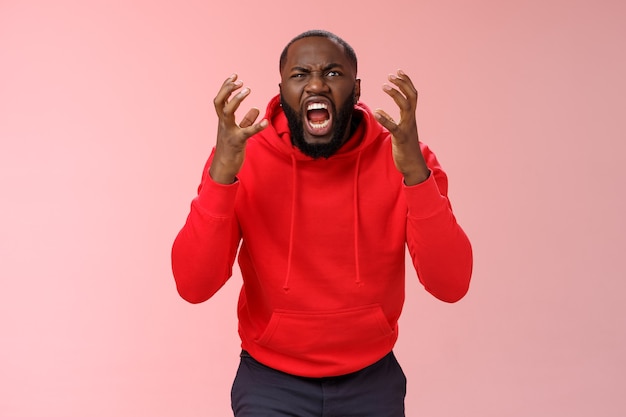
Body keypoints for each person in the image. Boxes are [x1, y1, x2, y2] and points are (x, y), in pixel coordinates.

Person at [171, 29, 473, 417]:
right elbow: (194, 285)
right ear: (282, 93)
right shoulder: (242, 157)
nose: (316, 84)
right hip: (270, 382)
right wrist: (221, 177)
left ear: (357, 89)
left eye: (333, 73)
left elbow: (451, 284)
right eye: (300, 75)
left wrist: (416, 174)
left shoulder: (404, 157)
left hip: (371, 380)